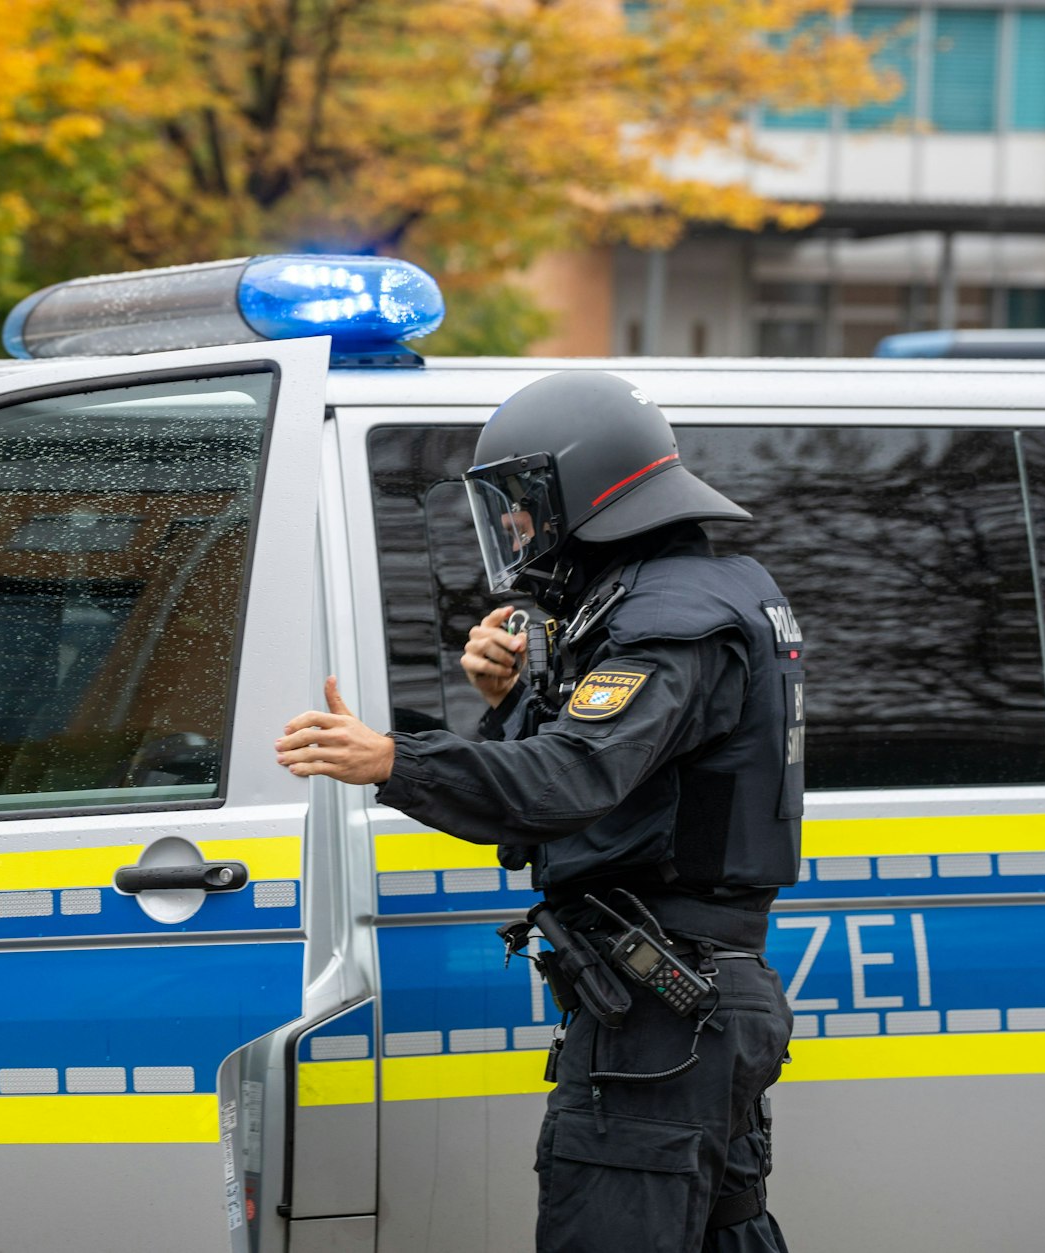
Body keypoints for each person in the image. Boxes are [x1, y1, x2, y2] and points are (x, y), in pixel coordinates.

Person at [276, 370, 800, 1253]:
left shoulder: (671, 619)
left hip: (669, 1010)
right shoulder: (666, 599)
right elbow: (552, 812)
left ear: (585, 491)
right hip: (672, 1001)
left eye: (523, 502)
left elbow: (568, 781)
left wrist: (395, 758)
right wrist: (511, 693)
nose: (516, 528)